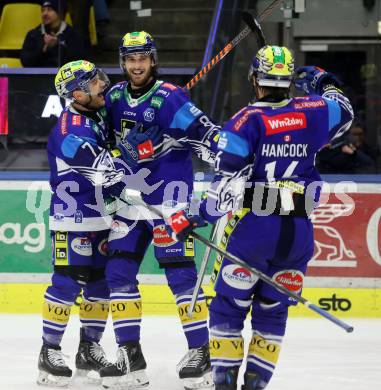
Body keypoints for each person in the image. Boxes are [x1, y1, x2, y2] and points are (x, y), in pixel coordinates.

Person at [166, 45, 354, 389]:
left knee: (228, 309)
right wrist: (324, 82)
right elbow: (344, 111)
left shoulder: (244, 120)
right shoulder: (314, 110)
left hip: (255, 230)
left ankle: (224, 383)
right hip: (298, 233)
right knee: (272, 313)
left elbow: (225, 181)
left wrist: (195, 216)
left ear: (255, 79)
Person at [99, 31, 220, 390]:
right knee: (118, 274)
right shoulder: (114, 97)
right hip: (130, 204)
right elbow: (104, 142)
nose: (136, 65)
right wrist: (122, 155)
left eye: (143, 58)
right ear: (124, 62)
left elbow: (210, 137)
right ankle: (129, 357)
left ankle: (202, 354)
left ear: (153, 60)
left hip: (169, 203)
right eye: (130, 59)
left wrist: (169, 138)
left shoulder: (170, 99)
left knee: (182, 278)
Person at [37, 59, 161, 386]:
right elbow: (105, 172)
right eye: (94, 82)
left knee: (99, 284)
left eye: (100, 78)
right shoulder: (69, 131)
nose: (102, 84)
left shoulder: (95, 116)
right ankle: (48, 352)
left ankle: (88, 348)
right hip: (72, 219)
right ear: (77, 92)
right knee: (66, 281)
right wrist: (128, 152)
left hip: (101, 217)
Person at [21, 0, 86, 67]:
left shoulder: (73, 35)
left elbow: (79, 63)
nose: (45, 13)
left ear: (60, 13)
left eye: (49, 10)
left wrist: (56, 47)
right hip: (38, 76)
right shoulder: (33, 34)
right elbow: (25, 62)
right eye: (43, 10)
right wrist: (43, 49)